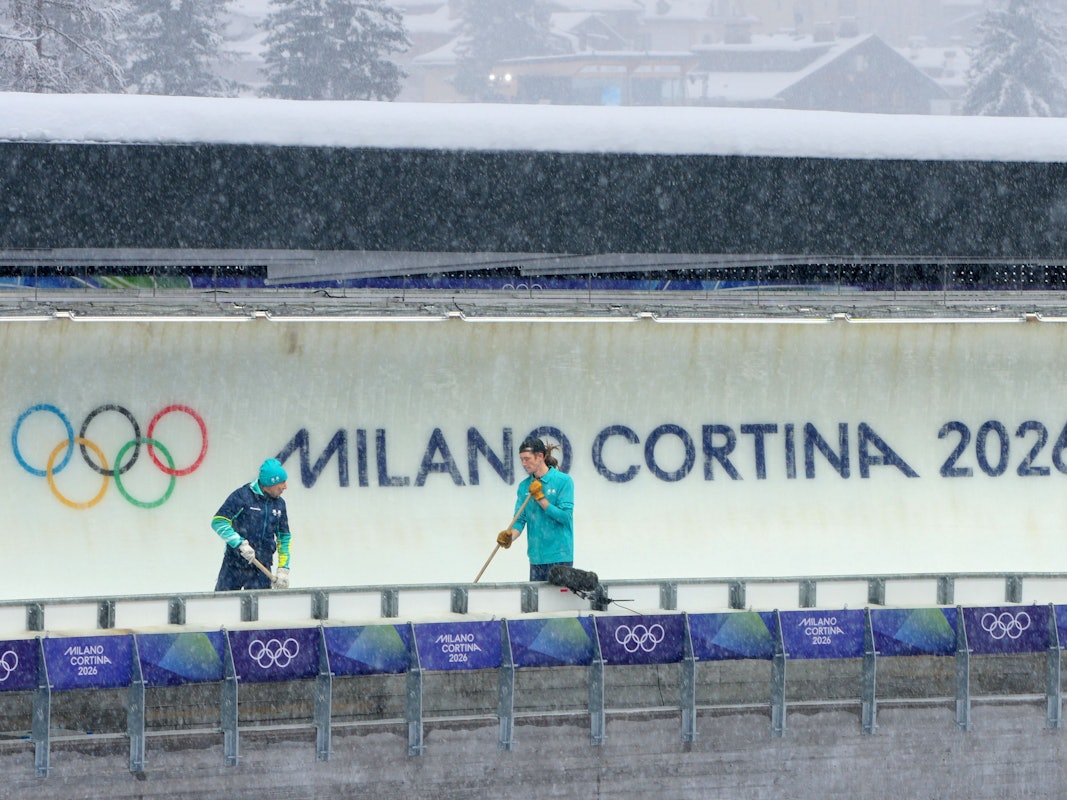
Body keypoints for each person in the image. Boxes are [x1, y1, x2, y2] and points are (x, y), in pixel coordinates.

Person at [496, 436, 574, 581]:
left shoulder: (563, 481)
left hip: (560, 556)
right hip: (536, 558)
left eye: (527, 459)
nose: (524, 463)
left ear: (540, 456)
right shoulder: (524, 486)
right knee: (537, 603)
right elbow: (519, 520)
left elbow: (565, 517)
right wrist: (509, 536)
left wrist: (540, 498)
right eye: (521, 459)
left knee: (558, 603)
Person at [211, 458, 292, 591]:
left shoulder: (280, 504)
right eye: (282, 482)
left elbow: (284, 537)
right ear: (271, 482)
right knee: (223, 607)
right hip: (234, 565)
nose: (285, 487)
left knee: (259, 609)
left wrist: (283, 569)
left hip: (262, 567)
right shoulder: (242, 496)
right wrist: (240, 544)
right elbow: (219, 522)